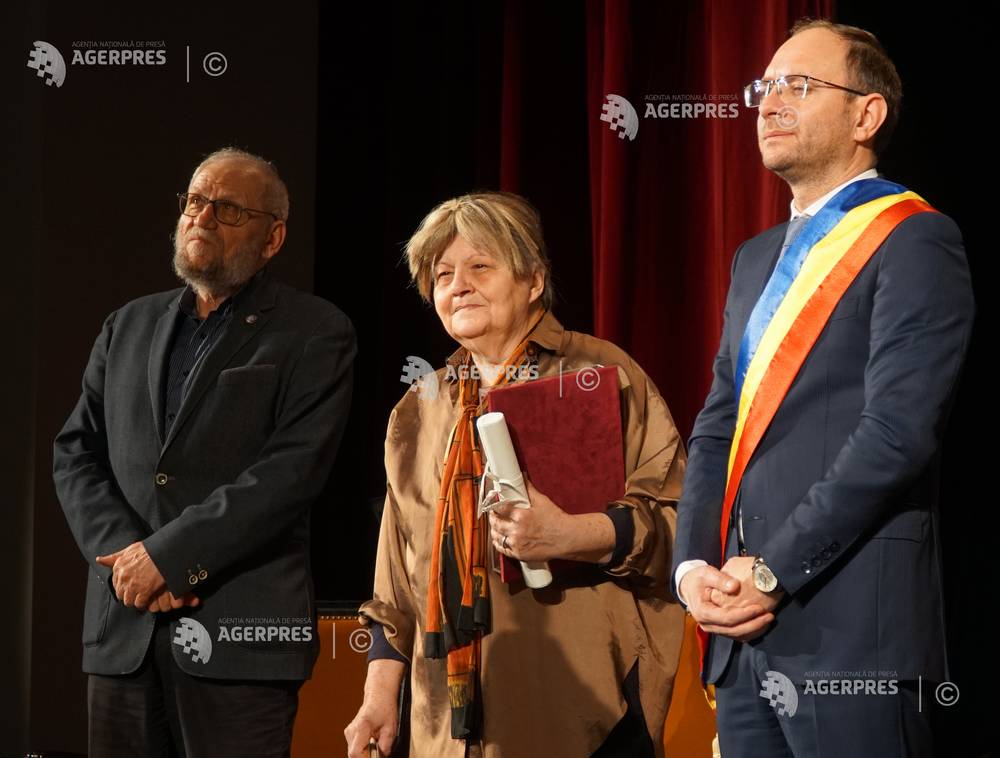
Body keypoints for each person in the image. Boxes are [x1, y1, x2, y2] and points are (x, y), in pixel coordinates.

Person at [672, 19, 974, 758]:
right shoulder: (754, 258)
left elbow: (895, 434)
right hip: (739, 640)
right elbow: (718, 426)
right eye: (764, 88)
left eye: (799, 86)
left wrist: (772, 569)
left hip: (850, 636)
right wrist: (692, 569)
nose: (770, 104)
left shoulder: (914, 238)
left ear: (867, 115)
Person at [344, 192, 686, 757]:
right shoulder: (417, 410)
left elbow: (680, 523)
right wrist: (379, 699)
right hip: (446, 729)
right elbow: (395, 580)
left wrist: (575, 536)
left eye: (480, 266)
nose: (458, 285)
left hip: (584, 715)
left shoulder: (601, 375)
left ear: (533, 281)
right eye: (443, 273)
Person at [52, 147, 357, 757]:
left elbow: (289, 474)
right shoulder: (126, 325)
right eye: (195, 201)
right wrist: (128, 560)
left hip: (240, 638)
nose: (202, 217)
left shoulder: (316, 331)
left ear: (273, 238)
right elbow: (76, 454)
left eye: (227, 209)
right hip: (124, 630)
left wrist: (172, 559)